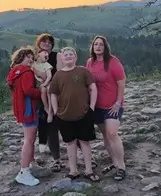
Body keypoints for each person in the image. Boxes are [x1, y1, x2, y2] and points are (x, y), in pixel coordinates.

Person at [49, 46, 99, 181]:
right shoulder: (58, 75)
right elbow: (53, 94)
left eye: (71, 54)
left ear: (75, 57)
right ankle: (73, 170)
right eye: (66, 55)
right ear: (62, 58)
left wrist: (92, 107)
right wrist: (55, 110)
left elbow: (93, 88)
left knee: (85, 142)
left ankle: (89, 170)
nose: (68, 56)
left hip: (83, 114)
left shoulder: (83, 71)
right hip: (64, 115)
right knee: (70, 143)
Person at [87, 35, 127, 181]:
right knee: (105, 135)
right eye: (95, 44)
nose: (98, 47)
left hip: (112, 106)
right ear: (92, 47)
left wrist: (118, 103)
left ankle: (122, 167)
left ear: (105, 47)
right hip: (97, 105)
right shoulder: (90, 63)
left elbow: (121, 82)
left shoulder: (112, 61)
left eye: (101, 45)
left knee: (112, 133)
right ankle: (115, 163)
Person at [6, 47, 42, 187]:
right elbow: (28, 91)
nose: (31, 60)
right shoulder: (27, 72)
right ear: (21, 57)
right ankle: (24, 172)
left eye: (32, 58)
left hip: (21, 109)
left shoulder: (15, 72)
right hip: (29, 109)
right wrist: (41, 92)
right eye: (28, 57)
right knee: (29, 139)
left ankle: (30, 164)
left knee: (29, 139)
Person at [34, 33, 62, 170]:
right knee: (50, 128)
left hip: (58, 94)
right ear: (38, 44)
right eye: (44, 42)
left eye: (49, 42)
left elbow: (61, 74)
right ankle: (57, 159)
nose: (46, 44)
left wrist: (46, 79)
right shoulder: (34, 57)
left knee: (69, 125)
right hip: (41, 96)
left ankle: (87, 156)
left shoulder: (56, 56)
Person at [33, 49, 54, 122]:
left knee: (49, 89)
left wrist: (45, 83)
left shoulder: (46, 64)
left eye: (47, 54)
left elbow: (49, 76)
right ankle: (46, 107)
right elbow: (34, 74)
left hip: (47, 82)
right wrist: (39, 80)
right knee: (43, 90)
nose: (47, 54)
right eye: (45, 53)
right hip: (39, 83)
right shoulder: (33, 64)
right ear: (38, 54)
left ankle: (51, 110)